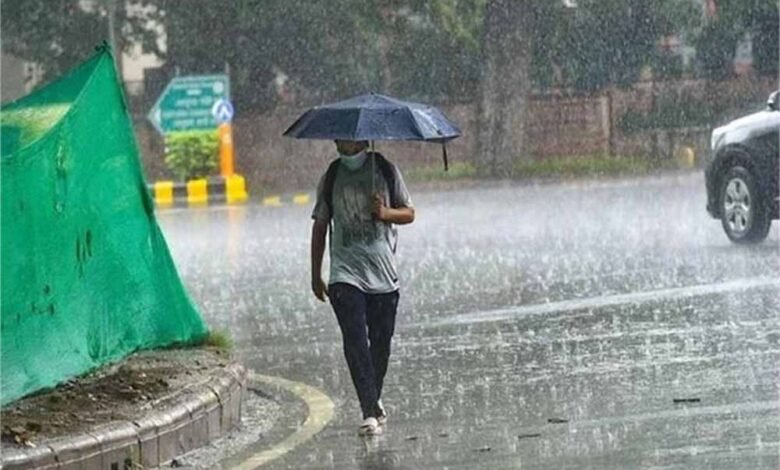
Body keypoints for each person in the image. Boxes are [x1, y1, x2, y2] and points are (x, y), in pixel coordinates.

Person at [310, 139, 415, 436]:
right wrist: (316, 274)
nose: (342, 144)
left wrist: (385, 213)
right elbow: (320, 226)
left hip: (383, 276)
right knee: (355, 341)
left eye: (348, 138)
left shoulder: (386, 170)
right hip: (345, 274)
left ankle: (373, 400)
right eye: (338, 139)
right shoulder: (331, 176)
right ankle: (369, 411)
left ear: (363, 140)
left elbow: (409, 213)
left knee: (380, 346)